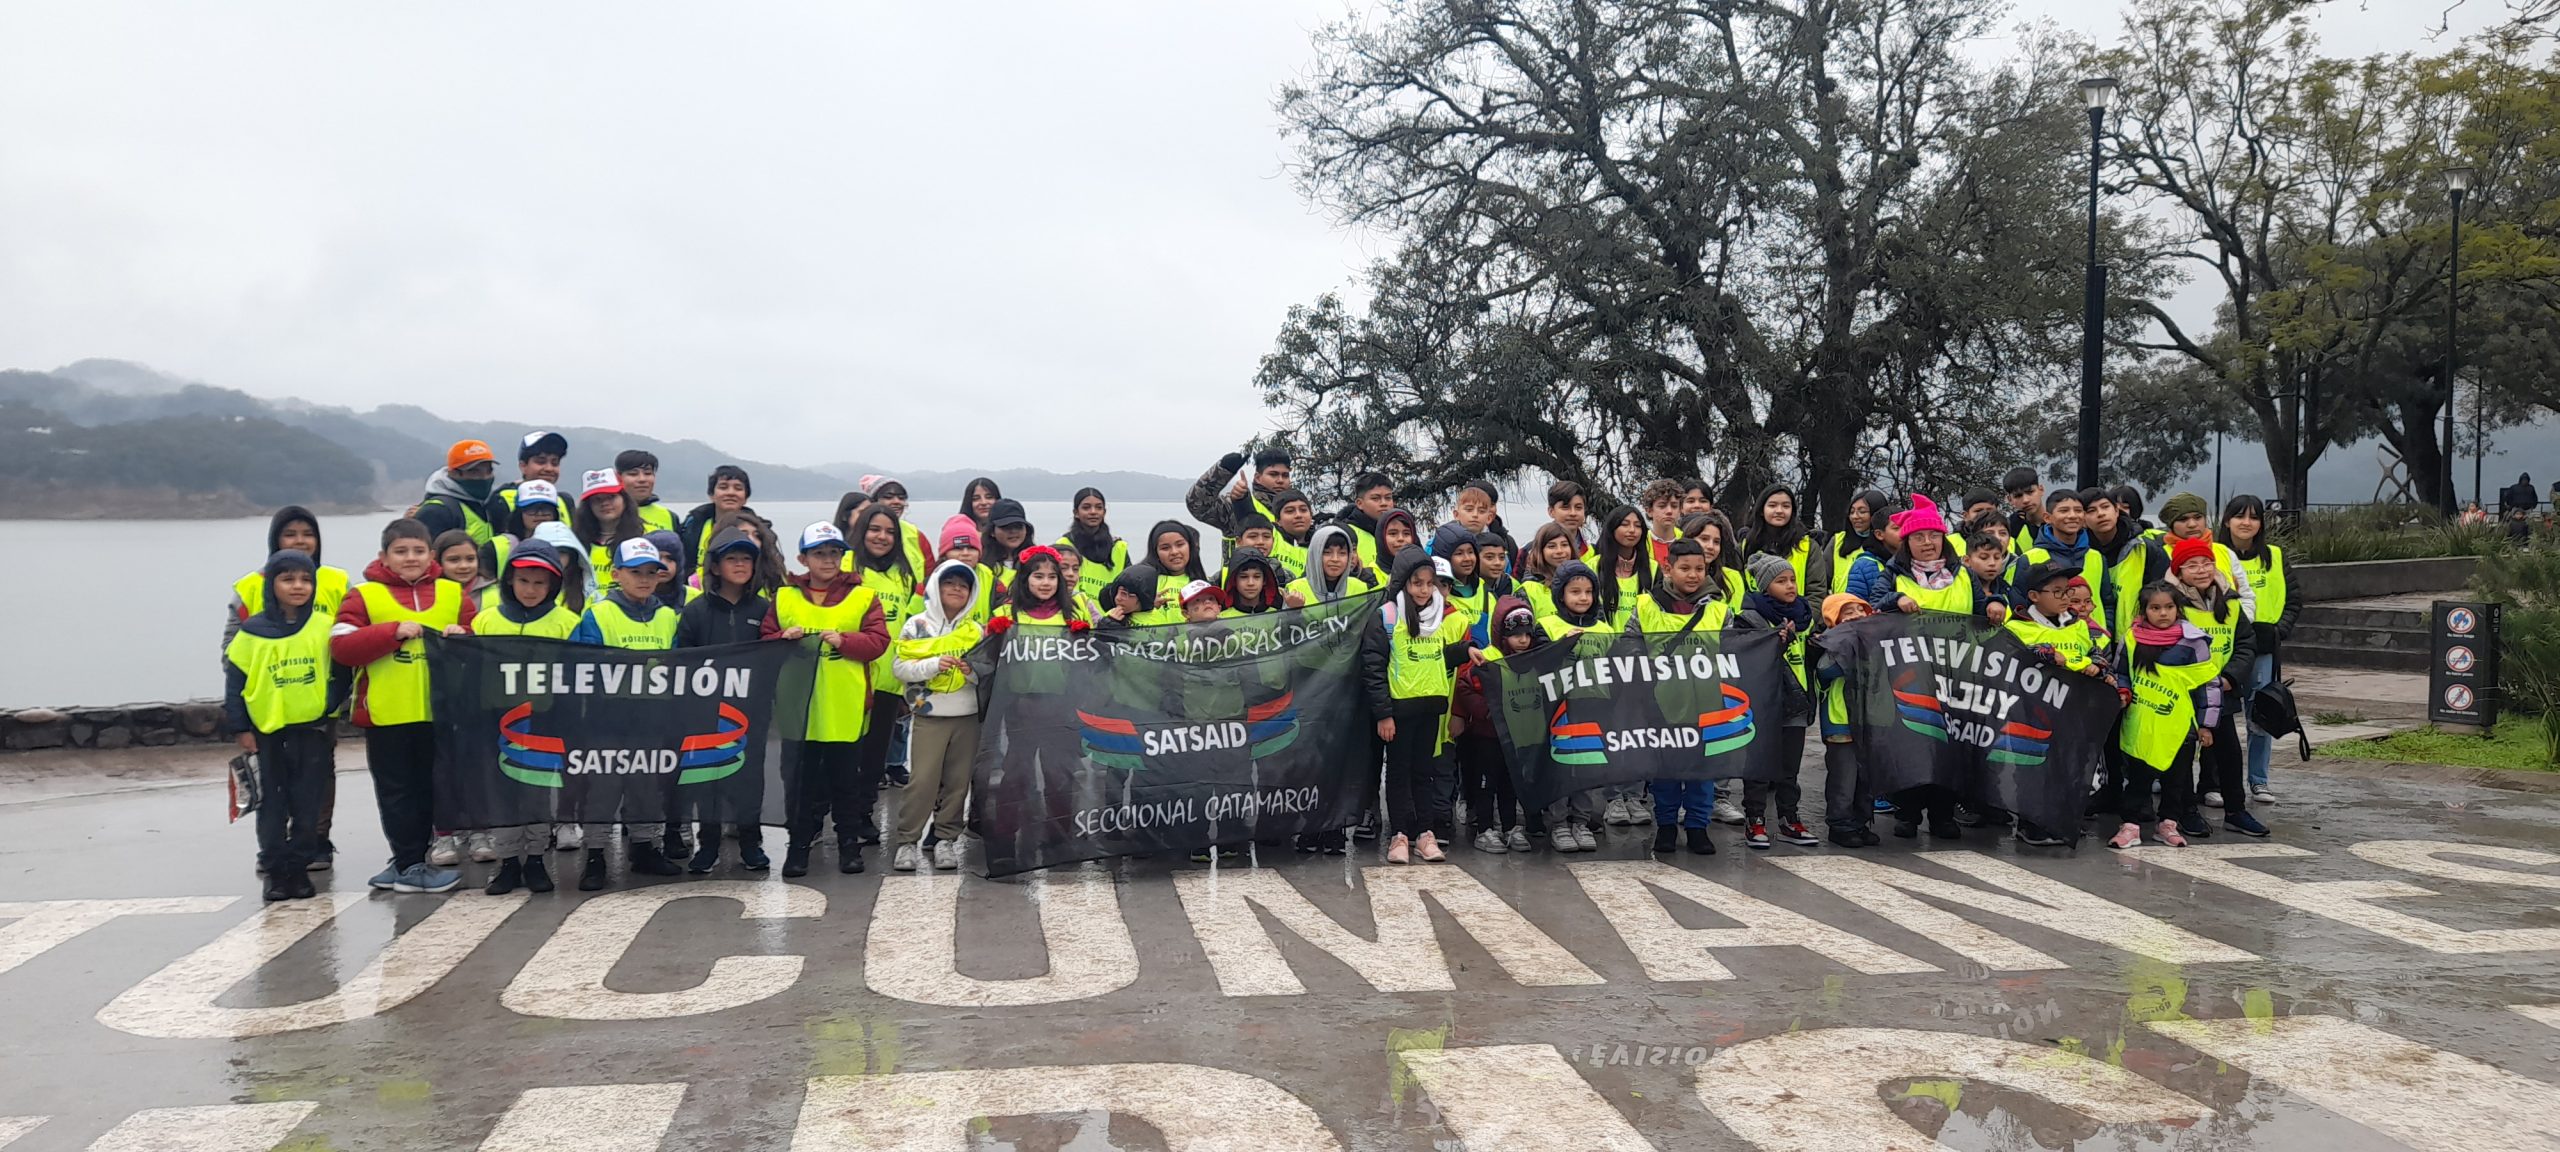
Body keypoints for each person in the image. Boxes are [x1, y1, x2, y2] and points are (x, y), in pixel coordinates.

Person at [330, 518, 475, 894]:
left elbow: (479, 645)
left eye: (418, 551)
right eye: (401, 552)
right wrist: (391, 632)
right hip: (385, 714)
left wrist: (464, 637)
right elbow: (342, 647)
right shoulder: (363, 595)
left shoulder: (452, 593)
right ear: (384, 556)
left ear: (431, 554)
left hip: (437, 713)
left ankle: (411, 859)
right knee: (396, 792)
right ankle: (409, 863)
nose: (410, 558)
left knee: (430, 790)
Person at [224, 548, 352, 900]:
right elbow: (235, 683)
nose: (298, 586)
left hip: (311, 731)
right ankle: (275, 871)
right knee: (272, 806)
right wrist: (241, 728)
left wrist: (328, 706)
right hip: (267, 734)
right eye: (288, 579)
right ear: (272, 584)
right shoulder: (252, 632)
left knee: (307, 804)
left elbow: (342, 674)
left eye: (305, 579)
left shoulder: (324, 628)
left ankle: (298, 869)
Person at [561, 538, 684, 890]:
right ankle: (596, 854)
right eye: (635, 573)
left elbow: (677, 665)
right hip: (607, 721)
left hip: (651, 720)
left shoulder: (667, 616)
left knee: (646, 785)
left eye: (651, 572)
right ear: (616, 574)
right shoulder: (598, 614)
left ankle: (644, 848)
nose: (644, 579)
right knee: (603, 787)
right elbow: (579, 666)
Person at [790, 511, 905, 875]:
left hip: (848, 707)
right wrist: (782, 639)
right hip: (803, 711)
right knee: (806, 784)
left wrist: (846, 641)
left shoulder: (862, 596)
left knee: (847, 781)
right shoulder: (785, 597)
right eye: (818, 553)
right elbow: (765, 640)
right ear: (803, 558)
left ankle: (848, 845)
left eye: (833, 553)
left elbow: (878, 640)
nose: (827, 560)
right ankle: (798, 848)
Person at [467, 537, 581, 894]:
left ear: (553, 585)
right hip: (496, 722)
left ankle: (535, 859)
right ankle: (507, 862)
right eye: (523, 581)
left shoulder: (567, 622)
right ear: (509, 582)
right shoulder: (485, 621)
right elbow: (469, 671)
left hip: (545, 724)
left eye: (540, 582)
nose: (531, 590)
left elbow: (579, 675)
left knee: (536, 794)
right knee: (502, 795)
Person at [671, 524, 780, 874]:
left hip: (751, 712)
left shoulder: (764, 608)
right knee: (707, 778)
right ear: (715, 567)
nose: (739, 565)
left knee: (749, 777)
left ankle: (751, 841)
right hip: (704, 713)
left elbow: (774, 655)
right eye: (731, 558)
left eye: (746, 558)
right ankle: (709, 843)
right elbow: (681, 659)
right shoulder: (696, 611)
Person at [1360, 547, 1475, 865]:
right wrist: (1383, 713)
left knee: (1425, 774)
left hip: (1430, 707)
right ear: (1402, 583)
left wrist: (1465, 651)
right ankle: (1400, 835)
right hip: (1399, 712)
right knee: (1398, 774)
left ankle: (1425, 834)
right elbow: (1373, 667)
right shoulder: (1387, 617)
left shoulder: (1437, 617)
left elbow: (1438, 656)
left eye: (1430, 584)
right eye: (1417, 583)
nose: (1425, 590)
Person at [1626, 538, 1731, 853]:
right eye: (1685, 568)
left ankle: (1698, 827)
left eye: (1700, 568)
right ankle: (1667, 826)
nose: (1693, 575)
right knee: (1665, 772)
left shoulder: (1719, 610)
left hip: (1706, 706)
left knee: (1702, 772)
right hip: (1661, 706)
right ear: (1667, 567)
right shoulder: (1645, 606)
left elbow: (1735, 653)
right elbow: (1629, 647)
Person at [2167, 535, 2265, 839]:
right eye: (2191, 565)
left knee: (2230, 754)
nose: (2201, 570)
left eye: (2206, 563)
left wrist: (2230, 678)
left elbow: (2246, 644)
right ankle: (2186, 812)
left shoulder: (2231, 601)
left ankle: (2236, 810)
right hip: (2184, 693)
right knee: (2182, 756)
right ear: (2179, 571)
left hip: (2221, 691)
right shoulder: (2168, 603)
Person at [891, 560, 986, 872]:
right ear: (936, 586)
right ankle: (907, 841)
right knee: (922, 781)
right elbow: (900, 668)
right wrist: (932, 666)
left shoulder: (976, 631)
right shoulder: (916, 626)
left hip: (967, 715)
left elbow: (986, 674)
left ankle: (946, 839)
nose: (956, 589)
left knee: (958, 783)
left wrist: (969, 672)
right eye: (950, 583)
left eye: (963, 585)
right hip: (929, 716)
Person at [2114, 582, 2222, 848]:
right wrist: (2123, 692)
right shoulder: (2132, 639)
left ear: (2178, 609)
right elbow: (2120, 672)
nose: (2163, 613)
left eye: (2169, 607)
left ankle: (2168, 824)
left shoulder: (2193, 643)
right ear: (2144, 610)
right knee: (2138, 779)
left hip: (2179, 727)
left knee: (2176, 779)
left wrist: (2206, 725)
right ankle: (2130, 826)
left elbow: (2207, 684)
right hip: (2142, 723)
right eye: (2155, 608)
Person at [1738, 552, 1819, 850]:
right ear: (1764, 587)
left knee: (1790, 767)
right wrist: (1777, 643)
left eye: (1792, 579)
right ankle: (1755, 818)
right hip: (1764, 702)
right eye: (1780, 581)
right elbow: (1746, 659)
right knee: (1759, 765)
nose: (1790, 586)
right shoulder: (1749, 618)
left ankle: (1789, 818)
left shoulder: (1804, 616)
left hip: (1797, 701)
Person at [2218, 495, 2293, 805]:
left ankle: (2259, 781)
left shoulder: (2275, 556)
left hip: (2262, 649)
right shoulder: (2216, 556)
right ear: (2226, 521)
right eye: (2239, 516)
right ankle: (2215, 783)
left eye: (2253, 517)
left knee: (2261, 717)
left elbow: (2294, 600)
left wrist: (2278, 631)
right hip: (2223, 648)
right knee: (2217, 719)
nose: (2245, 522)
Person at [1450, 597, 1536, 854]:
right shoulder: (1487, 659)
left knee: (1510, 785)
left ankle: (1510, 827)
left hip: (1515, 737)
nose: (1522, 640)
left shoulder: (1532, 659)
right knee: (1486, 784)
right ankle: (1484, 829)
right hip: (1487, 736)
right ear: (1501, 633)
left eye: (1527, 634)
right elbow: (1464, 686)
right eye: (1515, 634)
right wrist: (1486, 710)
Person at [1814, 593, 1879, 847]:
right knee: (1844, 777)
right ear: (1833, 620)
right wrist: (1844, 647)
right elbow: (1825, 671)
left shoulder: (1874, 642)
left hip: (1869, 723)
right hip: (1840, 723)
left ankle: (1861, 822)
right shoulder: (1829, 644)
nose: (1856, 615)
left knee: (1866, 777)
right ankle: (1840, 824)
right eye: (1847, 612)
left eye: (1859, 610)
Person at [1188, 447, 1294, 554]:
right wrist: (1222, 471)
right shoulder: (1236, 504)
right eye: (1273, 474)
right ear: (1257, 477)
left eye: (1285, 475)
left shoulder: (1298, 510)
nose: (1280, 480)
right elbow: (1197, 504)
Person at [1743, 484, 1825, 604]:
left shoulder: (1809, 546)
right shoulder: (1746, 546)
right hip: (1754, 619)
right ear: (1761, 510)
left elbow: (1816, 593)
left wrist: (1802, 620)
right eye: (1772, 505)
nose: (1779, 511)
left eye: (1786, 506)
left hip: (1799, 619)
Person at [572, 468, 645, 595]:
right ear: (588, 506)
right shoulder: (575, 542)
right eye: (597, 499)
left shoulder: (645, 537)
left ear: (624, 499)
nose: (605, 503)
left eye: (611, 497)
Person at [415, 439, 499, 546]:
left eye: (489, 471)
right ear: (454, 473)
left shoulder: (487, 503)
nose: (484, 477)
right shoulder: (437, 511)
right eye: (474, 472)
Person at [677, 465, 755, 577]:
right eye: (723, 487)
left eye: (738, 488)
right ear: (711, 495)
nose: (731, 493)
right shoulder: (692, 526)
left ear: (746, 497)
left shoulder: (759, 531)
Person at [1058, 487, 1128, 603]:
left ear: (1104, 512)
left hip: (1111, 617)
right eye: (1086, 507)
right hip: (1076, 616)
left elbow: (1130, 585)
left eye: (1099, 507)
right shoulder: (1063, 545)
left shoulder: (1118, 547)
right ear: (1076, 513)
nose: (1093, 512)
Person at [486, 430, 568, 529]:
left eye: (555, 463)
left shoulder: (565, 501)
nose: (549, 469)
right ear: (523, 466)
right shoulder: (502, 500)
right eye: (541, 462)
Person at [1592, 505, 1652, 631]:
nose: (1632, 530)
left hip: (1642, 646)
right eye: (1625, 524)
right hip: (1603, 644)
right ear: (1612, 528)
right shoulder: (1591, 567)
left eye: (1638, 525)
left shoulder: (1654, 568)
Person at [1283, 525, 1374, 607]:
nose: (1335, 559)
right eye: (1327, 553)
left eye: (1342, 553)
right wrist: (1294, 610)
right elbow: (1282, 624)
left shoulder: (1360, 588)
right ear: (1315, 555)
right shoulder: (1296, 589)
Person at [1827, 489, 1893, 594]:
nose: (1855, 517)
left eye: (1862, 511)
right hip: (1842, 607)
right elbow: (1822, 581)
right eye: (1852, 512)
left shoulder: (1890, 541)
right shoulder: (1838, 541)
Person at [1145, 520, 1209, 609]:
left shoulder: (1204, 584)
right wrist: (1146, 605)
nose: (1174, 552)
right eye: (1165, 548)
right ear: (1155, 553)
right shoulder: (1146, 584)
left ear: (1190, 547)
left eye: (1180, 545)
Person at [1338, 472, 1395, 571]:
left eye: (1388, 498)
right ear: (1360, 503)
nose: (1384, 503)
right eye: (1375, 498)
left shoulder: (1400, 533)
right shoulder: (1345, 534)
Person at [613, 450, 678, 534]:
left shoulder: (669, 516)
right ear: (618, 477)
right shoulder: (607, 512)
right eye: (633, 474)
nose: (642, 479)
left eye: (647, 473)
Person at [1222, 550, 1287, 615]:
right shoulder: (1221, 618)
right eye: (1244, 577)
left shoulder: (1278, 614)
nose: (1251, 583)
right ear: (1234, 581)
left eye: (1257, 577)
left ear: (1264, 580)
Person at [984, 499, 1033, 584]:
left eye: (1018, 526)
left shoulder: (1037, 560)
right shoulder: (982, 563)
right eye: (1006, 527)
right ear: (992, 532)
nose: (1013, 531)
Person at [1270, 490, 1316, 578]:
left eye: (1303, 510)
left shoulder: (1322, 546)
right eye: (1290, 511)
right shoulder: (1270, 537)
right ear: (1277, 520)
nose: (1298, 515)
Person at [1640, 480, 1686, 565]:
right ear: (1649, 511)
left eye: (1674, 506)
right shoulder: (1640, 542)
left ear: (1680, 510)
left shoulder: (1687, 539)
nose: (1669, 511)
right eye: (1662, 506)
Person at [2001, 467, 2046, 550]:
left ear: (2041, 490)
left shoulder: (2060, 521)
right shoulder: (2006, 529)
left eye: (2030, 492)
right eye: (2018, 496)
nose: (2025, 500)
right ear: (2009, 499)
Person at [1375, 508, 1421, 579]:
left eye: (1406, 533)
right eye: (1393, 533)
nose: (1400, 539)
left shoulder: (1426, 573)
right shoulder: (1369, 577)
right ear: (1381, 538)